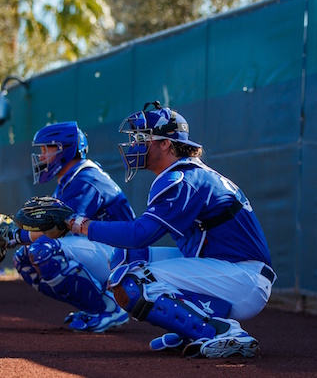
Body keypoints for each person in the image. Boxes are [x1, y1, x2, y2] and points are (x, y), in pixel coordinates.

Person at [61, 102, 275, 358]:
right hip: (226, 268)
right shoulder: (185, 174)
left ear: (165, 143)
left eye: (142, 138)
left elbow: (139, 234)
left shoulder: (183, 179)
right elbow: (136, 243)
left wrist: (79, 225)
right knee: (126, 258)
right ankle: (193, 328)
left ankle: (222, 331)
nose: (135, 145)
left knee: (133, 281)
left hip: (242, 278)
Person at [11, 121, 137, 333]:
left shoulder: (86, 178)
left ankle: (109, 308)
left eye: (45, 149)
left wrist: (15, 235)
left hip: (122, 256)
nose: (41, 156)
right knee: (23, 258)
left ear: (64, 150)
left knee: (43, 250)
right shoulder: (69, 179)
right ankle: (94, 306)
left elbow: (56, 229)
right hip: (104, 250)